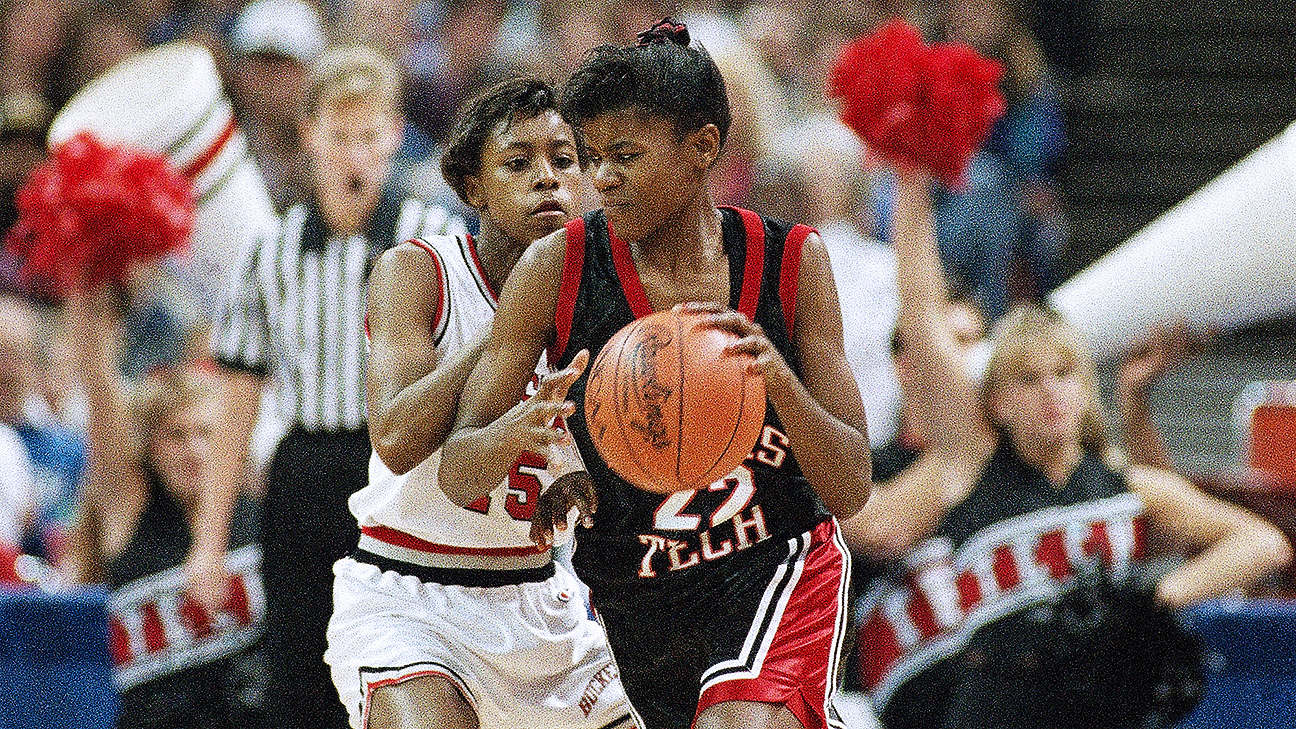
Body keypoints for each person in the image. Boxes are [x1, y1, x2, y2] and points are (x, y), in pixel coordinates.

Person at [441, 18, 872, 729]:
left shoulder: (792, 259)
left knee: (737, 721)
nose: (602, 176)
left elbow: (852, 487)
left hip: (774, 566)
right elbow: (459, 471)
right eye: (593, 156)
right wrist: (524, 435)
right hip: (634, 596)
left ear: (703, 147)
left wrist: (780, 383)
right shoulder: (557, 268)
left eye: (626, 155)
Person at [851, 168, 1293, 729]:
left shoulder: (1132, 488)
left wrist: (1151, 598)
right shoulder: (972, 468)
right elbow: (924, 332)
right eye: (1027, 381)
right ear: (997, 404)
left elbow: (1263, 543)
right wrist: (912, 186)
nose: (1051, 395)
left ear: (1086, 387)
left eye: (1064, 376)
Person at [324, 76, 633, 729]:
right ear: (473, 188)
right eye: (518, 162)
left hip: (542, 599)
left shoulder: (610, 299)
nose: (546, 178)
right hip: (412, 597)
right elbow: (397, 437)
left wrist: (590, 484)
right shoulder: (419, 272)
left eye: (563, 159)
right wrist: (511, 321)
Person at [208, 45, 465, 729]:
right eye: (340, 136)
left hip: (404, 467)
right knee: (300, 663)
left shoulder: (432, 238)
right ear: (310, 134)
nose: (355, 154)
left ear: (393, 137)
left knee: (407, 654)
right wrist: (208, 541)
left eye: (370, 136)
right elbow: (236, 399)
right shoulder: (272, 249)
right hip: (305, 466)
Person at [65, 284, 263, 729]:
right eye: (176, 436)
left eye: (205, 434)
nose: (192, 451)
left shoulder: (259, 511)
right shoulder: (129, 510)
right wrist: (87, 294)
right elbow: (99, 389)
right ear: (152, 449)